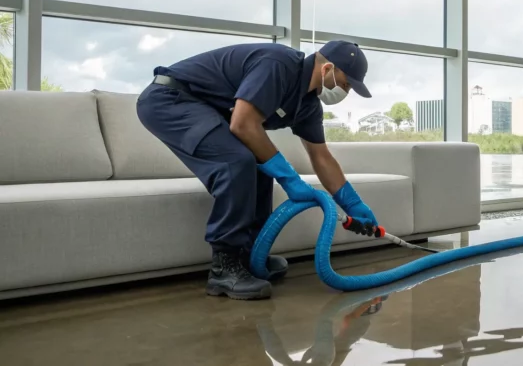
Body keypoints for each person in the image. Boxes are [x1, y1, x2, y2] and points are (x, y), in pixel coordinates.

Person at [136, 40, 379, 300]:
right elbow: (242, 124)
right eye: (346, 83)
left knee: (260, 165)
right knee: (236, 162)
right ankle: (224, 267)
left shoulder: (308, 105)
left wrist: (353, 203)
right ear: (328, 67)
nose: (347, 90)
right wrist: (289, 178)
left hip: (208, 109)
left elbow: (321, 157)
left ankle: (249, 257)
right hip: (171, 99)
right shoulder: (279, 65)